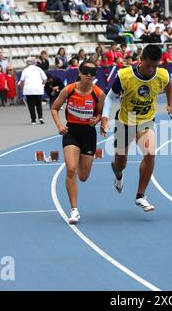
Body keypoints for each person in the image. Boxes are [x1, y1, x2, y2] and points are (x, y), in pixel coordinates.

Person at [100, 45, 172, 212]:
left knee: (150, 154)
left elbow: (168, 83)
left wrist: (170, 104)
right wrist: (104, 117)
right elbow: (110, 97)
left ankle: (140, 196)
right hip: (125, 122)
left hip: (146, 121)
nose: (151, 70)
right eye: (149, 65)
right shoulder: (125, 76)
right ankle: (118, 175)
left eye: (155, 66)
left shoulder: (162, 74)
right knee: (121, 164)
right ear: (141, 60)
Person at [51, 61, 106, 224]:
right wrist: (60, 125)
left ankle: (84, 163)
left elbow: (100, 112)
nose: (89, 75)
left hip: (88, 134)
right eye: (86, 72)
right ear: (80, 73)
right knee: (71, 169)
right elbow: (54, 108)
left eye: (93, 73)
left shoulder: (98, 93)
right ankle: (74, 210)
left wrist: (97, 120)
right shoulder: (68, 90)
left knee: (83, 176)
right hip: (71, 132)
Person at [18, 57, 47, 125]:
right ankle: (40, 117)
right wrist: (42, 85)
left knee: (31, 105)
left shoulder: (25, 70)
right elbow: (45, 79)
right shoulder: (39, 69)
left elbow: (21, 81)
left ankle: (33, 120)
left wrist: (22, 88)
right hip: (38, 89)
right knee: (39, 104)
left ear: (28, 63)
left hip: (29, 90)